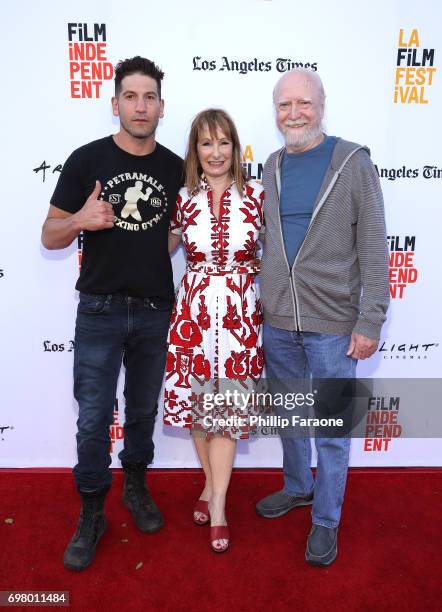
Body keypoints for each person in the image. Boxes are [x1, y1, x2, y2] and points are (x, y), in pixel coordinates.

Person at [41, 56, 182, 571]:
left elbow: (174, 232)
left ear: (162, 107)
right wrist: (81, 218)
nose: (140, 106)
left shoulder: (174, 167)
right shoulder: (86, 160)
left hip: (152, 310)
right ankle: (93, 511)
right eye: (131, 96)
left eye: (149, 97)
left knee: (143, 410)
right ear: (116, 102)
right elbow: (49, 235)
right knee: (95, 417)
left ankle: (137, 488)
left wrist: (151, 250)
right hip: (98, 310)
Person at [256, 68, 389, 566]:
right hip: (278, 321)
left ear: (322, 105)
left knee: (332, 427)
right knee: (290, 417)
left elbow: (374, 244)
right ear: (276, 113)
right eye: (284, 105)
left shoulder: (352, 162)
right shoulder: (270, 165)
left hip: (334, 323)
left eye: (303, 104)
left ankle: (326, 519)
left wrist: (370, 318)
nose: (294, 113)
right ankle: (297, 487)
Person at [165, 108, 265, 552]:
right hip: (193, 315)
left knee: (224, 410)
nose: (216, 152)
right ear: (195, 150)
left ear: (235, 147)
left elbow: (281, 250)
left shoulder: (259, 195)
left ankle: (218, 504)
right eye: (206, 143)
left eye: (224, 142)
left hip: (241, 316)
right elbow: (157, 246)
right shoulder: (182, 199)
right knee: (198, 410)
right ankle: (208, 483)